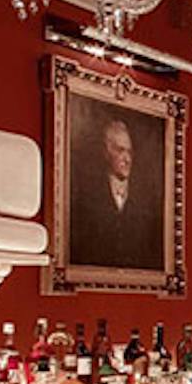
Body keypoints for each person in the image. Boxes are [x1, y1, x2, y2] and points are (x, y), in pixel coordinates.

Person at [69, 113, 163, 271]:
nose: (127, 159)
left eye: (130, 152)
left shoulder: (146, 200)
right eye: (120, 150)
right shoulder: (87, 196)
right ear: (106, 152)